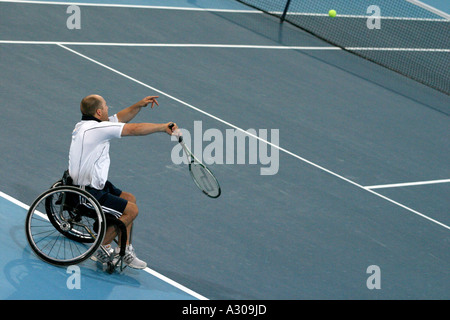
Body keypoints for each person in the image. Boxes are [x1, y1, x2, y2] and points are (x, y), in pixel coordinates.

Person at [68, 94, 178, 269]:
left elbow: (120, 118)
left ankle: (125, 249)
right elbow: (133, 128)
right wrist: (162, 127)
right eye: (105, 106)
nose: (108, 108)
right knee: (132, 211)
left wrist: (139, 105)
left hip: (94, 184)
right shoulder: (97, 130)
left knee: (130, 199)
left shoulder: (88, 125)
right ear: (98, 112)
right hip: (87, 192)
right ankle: (101, 247)